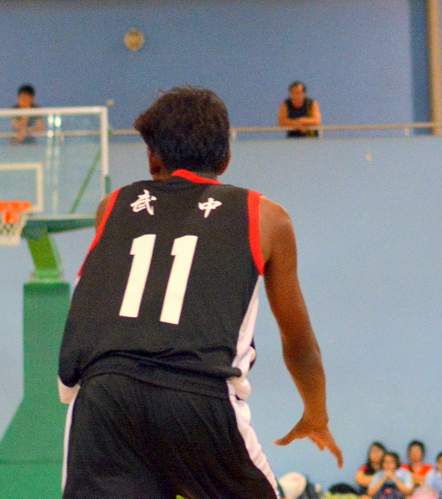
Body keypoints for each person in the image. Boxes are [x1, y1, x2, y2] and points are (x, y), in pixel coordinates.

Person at [57, 86, 342, 499]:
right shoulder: (266, 218)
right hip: (199, 394)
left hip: (106, 397)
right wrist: (316, 414)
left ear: (152, 156)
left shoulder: (113, 206)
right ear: (226, 159)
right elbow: (298, 343)